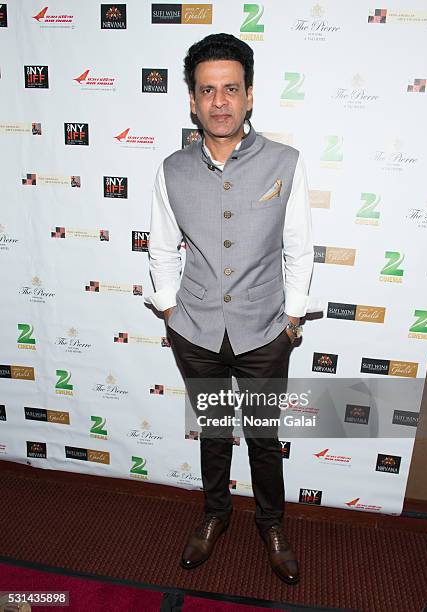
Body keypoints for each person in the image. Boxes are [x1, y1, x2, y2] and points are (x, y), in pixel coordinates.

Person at [144, 33, 314, 586]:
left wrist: (293, 319)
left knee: (263, 437)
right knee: (214, 432)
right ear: (192, 100)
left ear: (249, 96)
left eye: (230, 89)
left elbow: (300, 246)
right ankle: (215, 514)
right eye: (207, 90)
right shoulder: (171, 169)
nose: (220, 102)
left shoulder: (286, 162)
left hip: (267, 330)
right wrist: (170, 311)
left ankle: (272, 525)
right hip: (195, 330)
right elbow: (161, 246)